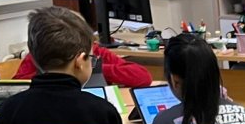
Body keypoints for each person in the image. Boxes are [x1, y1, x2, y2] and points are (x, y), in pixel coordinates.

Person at [14, 41, 151, 88]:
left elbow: (142, 77)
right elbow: (16, 86)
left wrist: (93, 66)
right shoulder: (40, 54)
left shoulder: (95, 51)